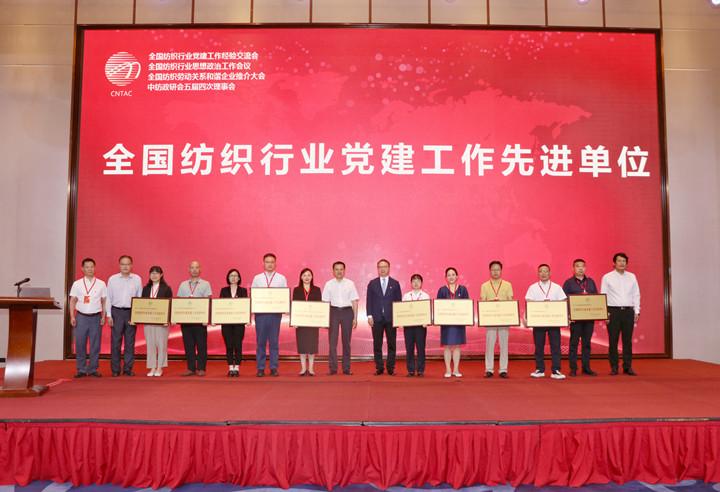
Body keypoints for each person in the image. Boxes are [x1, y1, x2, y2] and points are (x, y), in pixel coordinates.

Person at [525, 264, 567, 380]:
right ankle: (540, 369)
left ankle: (556, 370)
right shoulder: (533, 287)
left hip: (554, 321)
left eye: (546, 271)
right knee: (539, 346)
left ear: (550, 273)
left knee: (555, 346)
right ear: (538, 273)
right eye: (541, 271)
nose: (543, 273)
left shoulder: (557, 287)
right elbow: (529, 301)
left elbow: (563, 301)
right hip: (539, 321)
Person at [601, 252, 641, 376]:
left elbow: (636, 294)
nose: (621, 263)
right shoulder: (607, 277)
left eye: (624, 261)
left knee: (627, 341)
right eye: (619, 261)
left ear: (626, 263)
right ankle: (614, 367)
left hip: (628, 312)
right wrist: (605, 313)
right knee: (613, 340)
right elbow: (603, 295)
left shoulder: (632, 277)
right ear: (614, 263)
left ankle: (627, 366)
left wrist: (637, 311)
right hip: (613, 312)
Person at [68, 257, 107, 378]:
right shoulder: (77, 284)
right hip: (81, 317)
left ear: (94, 268)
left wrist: (103, 316)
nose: (89, 269)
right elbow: (72, 300)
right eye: (87, 267)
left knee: (95, 344)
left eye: (91, 267)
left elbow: (104, 301)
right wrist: (72, 316)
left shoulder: (101, 284)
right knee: (80, 343)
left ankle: (93, 369)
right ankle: (81, 369)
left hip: (96, 317)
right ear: (82, 269)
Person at [251, 253, 288, 377]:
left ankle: (273, 367)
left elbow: (284, 296)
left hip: (275, 315)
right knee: (260, 342)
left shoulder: (281, 278)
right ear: (263, 263)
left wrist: (284, 307)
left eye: (272, 262)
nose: (270, 264)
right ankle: (260, 368)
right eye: (267, 262)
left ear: (275, 263)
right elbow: (253, 295)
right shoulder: (257, 278)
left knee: (274, 342)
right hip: (261, 315)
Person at [106, 255, 143, 377]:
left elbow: (139, 298)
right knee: (115, 342)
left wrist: (137, 316)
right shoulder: (112, 279)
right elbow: (108, 298)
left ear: (131, 265)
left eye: (127, 264)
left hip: (131, 312)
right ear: (119, 265)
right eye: (123, 264)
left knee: (130, 342)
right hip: (116, 312)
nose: (125, 266)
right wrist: (109, 315)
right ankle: (115, 369)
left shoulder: (137, 279)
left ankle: (128, 368)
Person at [562, 259, 599, 377]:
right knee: (574, 343)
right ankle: (573, 368)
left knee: (586, 343)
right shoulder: (568, 283)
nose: (580, 268)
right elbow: (564, 300)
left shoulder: (591, 282)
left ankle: (586, 367)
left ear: (585, 268)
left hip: (589, 318)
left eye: (582, 266)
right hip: (575, 319)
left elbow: (596, 299)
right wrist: (568, 315)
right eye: (577, 266)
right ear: (573, 269)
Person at [366, 259, 402, 375]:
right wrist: (369, 316)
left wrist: (398, 317)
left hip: (391, 318)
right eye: (380, 267)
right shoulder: (372, 283)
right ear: (377, 269)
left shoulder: (395, 283)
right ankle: (379, 367)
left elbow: (399, 302)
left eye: (385, 266)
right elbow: (369, 300)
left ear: (389, 268)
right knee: (377, 344)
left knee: (392, 344)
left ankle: (391, 368)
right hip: (376, 318)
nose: (382, 269)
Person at [322, 261, 359, 375]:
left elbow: (354, 301)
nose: (339, 271)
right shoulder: (328, 284)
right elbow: (325, 302)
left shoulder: (350, 283)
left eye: (341, 269)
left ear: (344, 270)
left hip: (347, 312)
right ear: (333, 271)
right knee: (332, 342)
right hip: (333, 312)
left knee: (346, 341)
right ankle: (333, 368)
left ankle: (346, 368)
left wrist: (355, 318)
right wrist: (324, 319)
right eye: (337, 269)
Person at [176, 260, 212, 377]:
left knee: (201, 345)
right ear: (189, 270)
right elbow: (179, 303)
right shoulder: (183, 285)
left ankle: (201, 368)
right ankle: (190, 368)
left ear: (200, 270)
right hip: (186, 320)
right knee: (188, 345)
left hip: (200, 320)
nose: (194, 270)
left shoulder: (206, 284)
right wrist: (176, 317)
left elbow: (208, 302)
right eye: (192, 267)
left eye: (197, 267)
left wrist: (206, 318)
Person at [480, 260, 514, 379]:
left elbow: (510, 301)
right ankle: (489, 369)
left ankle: (503, 369)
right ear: (490, 271)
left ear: (501, 271)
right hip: (490, 319)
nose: (495, 272)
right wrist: (492, 302)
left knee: (504, 345)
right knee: (490, 345)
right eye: (493, 269)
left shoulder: (507, 285)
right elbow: (483, 302)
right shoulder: (484, 285)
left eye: (497, 269)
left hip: (504, 319)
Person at [437, 267, 470, 378]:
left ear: (457, 276)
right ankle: (448, 369)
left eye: (453, 274)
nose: (451, 277)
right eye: (449, 275)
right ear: (445, 277)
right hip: (446, 323)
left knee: (457, 346)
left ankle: (456, 369)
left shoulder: (463, 289)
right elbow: (438, 307)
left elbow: (467, 306)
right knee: (447, 346)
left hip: (458, 323)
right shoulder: (442, 290)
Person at [141, 266, 172, 377]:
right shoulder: (146, 289)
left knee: (161, 344)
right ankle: (152, 367)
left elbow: (170, 305)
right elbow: (141, 304)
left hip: (162, 322)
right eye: (152, 273)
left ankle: (160, 367)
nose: (154, 275)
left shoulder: (166, 288)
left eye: (156, 273)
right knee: (150, 344)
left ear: (161, 275)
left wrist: (167, 319)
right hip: (148, 321)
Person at [291, 268, 322, 376]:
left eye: (309, 275)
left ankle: (311, 368)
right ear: (301, 277)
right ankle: (303, 368)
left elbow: (319, 306)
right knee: (302, 345)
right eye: (304, 275)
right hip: (301, 322)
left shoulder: (317, 289)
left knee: (312, 346)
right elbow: (294, 305)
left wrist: (319, 320)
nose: (307, 277)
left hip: (313, 322)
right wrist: (294, 321)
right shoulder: (297, 290)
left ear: (312, 277)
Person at [219, 269, 247, 377]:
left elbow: (245, 306)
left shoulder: (243, 291)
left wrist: (246, 319)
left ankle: (237, 368)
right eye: (231, 275)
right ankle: (231, 367)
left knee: (238, 345)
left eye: (236, 276)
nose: (233, 277)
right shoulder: (224, 290)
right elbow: (220, 306)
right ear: (228, 278)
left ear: (239, 278)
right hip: (226, 323)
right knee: (229, 345)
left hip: (239, 323)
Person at [401, 273, 430, 377]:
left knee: (421, 348)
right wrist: (401, 322)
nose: (416, 283)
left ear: (421, 283)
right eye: (414, 281)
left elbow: (428, 311)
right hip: (408, 326)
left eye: (418, 281)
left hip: (421, 326)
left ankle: (421, 370)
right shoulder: (406, 296)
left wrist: (427, 321)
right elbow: (402, 311)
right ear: (411, 283)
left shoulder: (425, 296)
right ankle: (411, 370)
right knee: (409, 348)